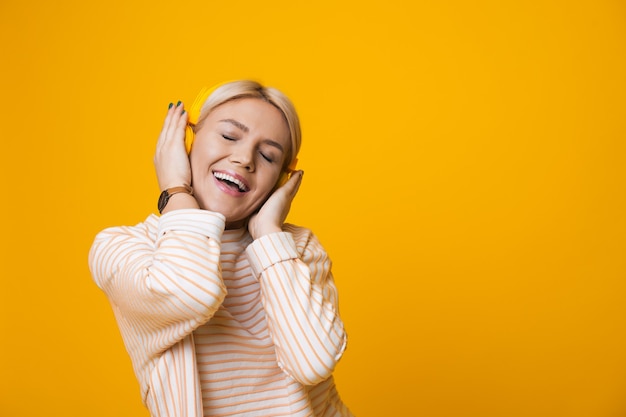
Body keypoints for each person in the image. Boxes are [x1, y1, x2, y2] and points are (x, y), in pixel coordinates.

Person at [88, 80, 352, 416]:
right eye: (229, 136)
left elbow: (312, 363)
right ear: (187, 140)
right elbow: (188, 293)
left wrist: (268, 235)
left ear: (282, 180)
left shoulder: (296, 249)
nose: (244, 159)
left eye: (268, 156)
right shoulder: (121, 248)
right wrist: (175, 190)